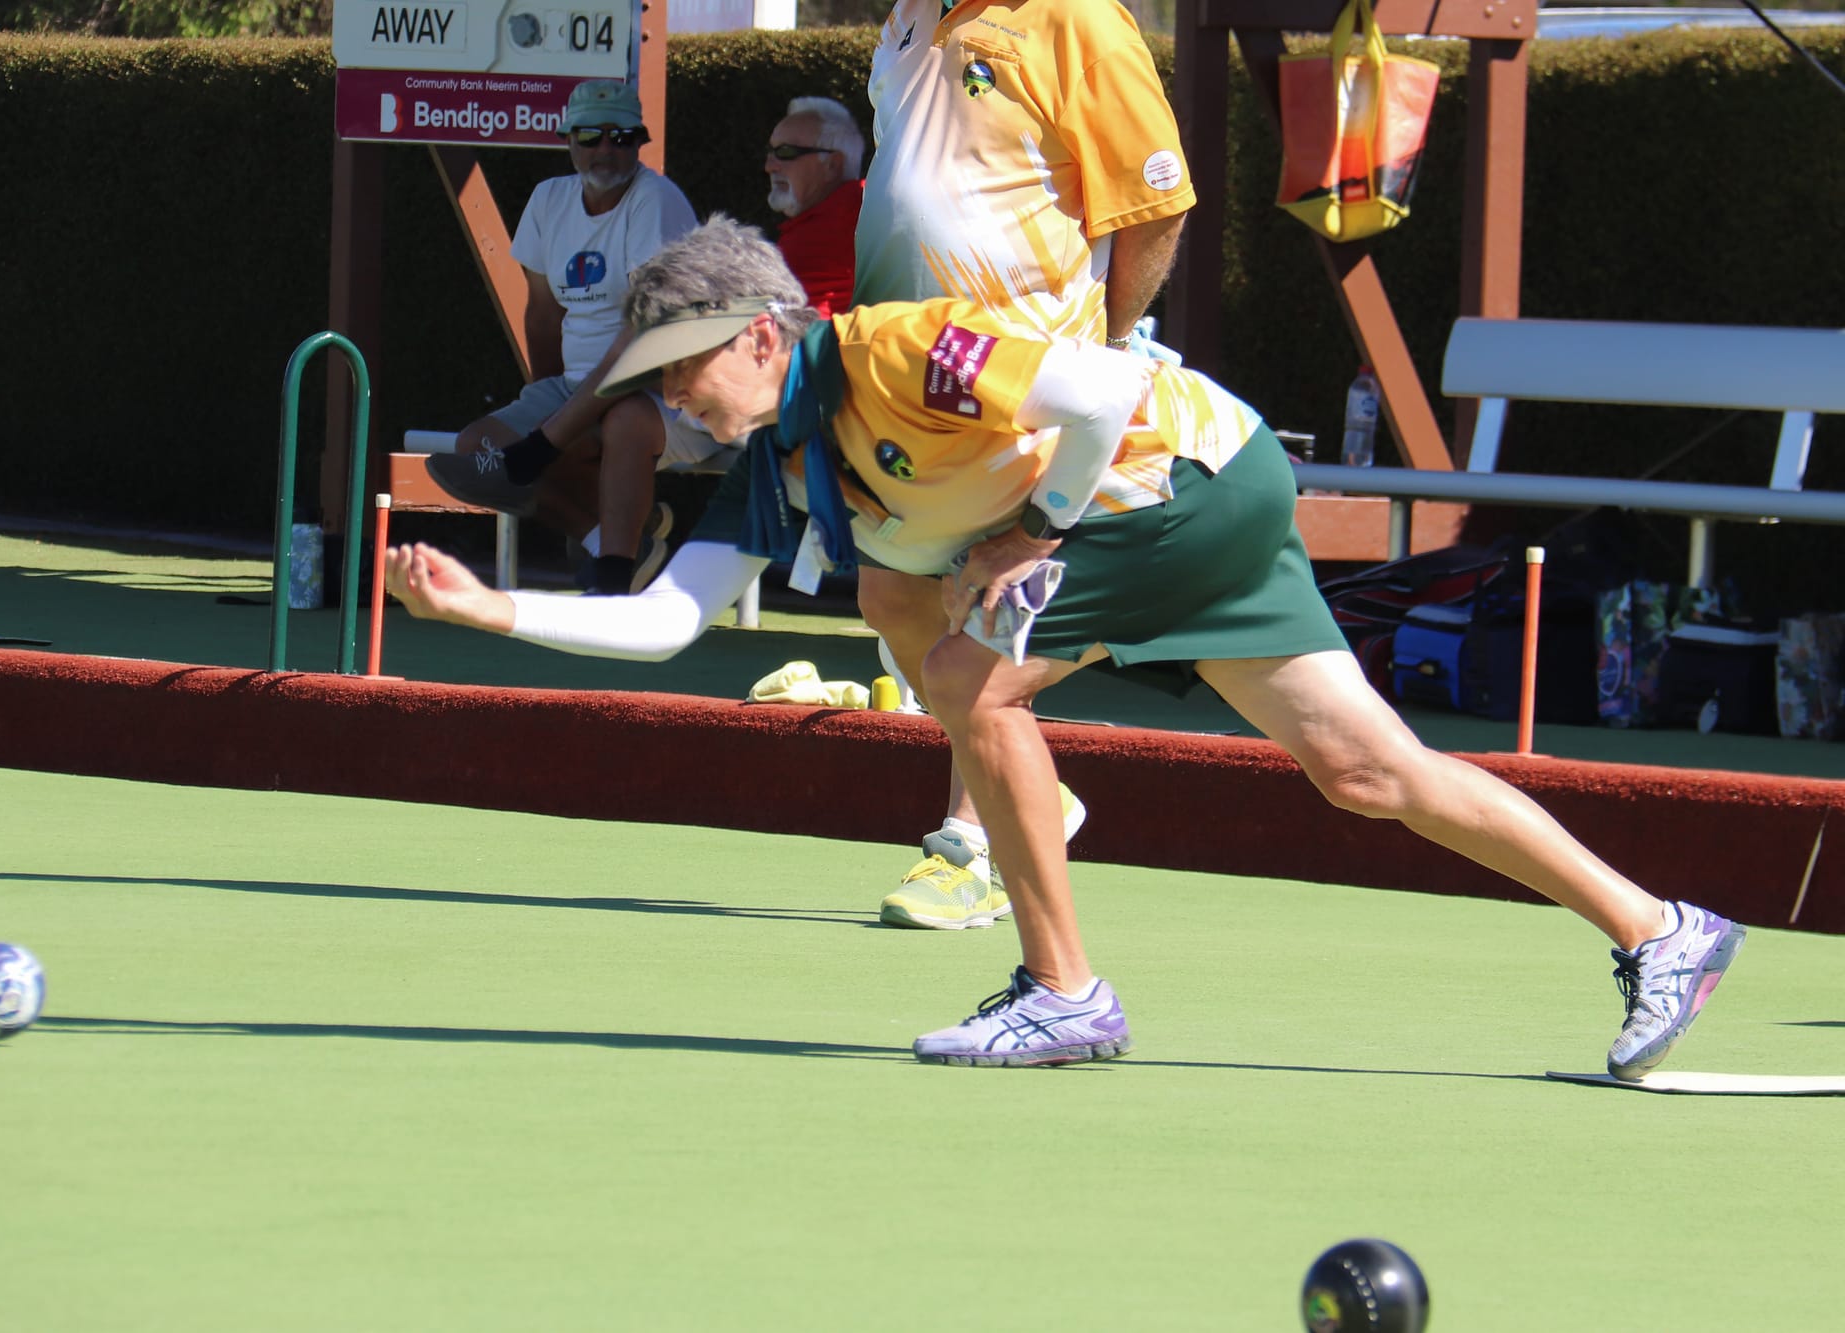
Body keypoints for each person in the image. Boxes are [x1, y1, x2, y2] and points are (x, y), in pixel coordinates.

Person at [383, 217, 1747, 1080]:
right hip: (1204, 491)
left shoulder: (897, 352)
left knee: (970, 681)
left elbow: (1097, 389)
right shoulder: (780, 456)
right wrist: (487, 614)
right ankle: (1662, 928)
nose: (672, 400)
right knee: (1367, 773)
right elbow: (671, 620)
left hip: (1183, 481)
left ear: (758, 337)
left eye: (682, 371)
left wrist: (1033, 524)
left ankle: (1063, 990)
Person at [853, 0, 1197, 930]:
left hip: (1024, 377)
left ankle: (973, 844)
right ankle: (1029, 799)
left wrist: (1107, 345)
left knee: (982, 620)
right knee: (891, 600)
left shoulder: (1079, 16)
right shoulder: (907, 19)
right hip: (910, 371)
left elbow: (1154, 202)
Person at [426, 79, 719, 595]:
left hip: (666, 388)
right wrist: (547, 404)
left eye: (622, 137)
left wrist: (551, 437)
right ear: (568, 140)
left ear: (639, 142)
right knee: (481, 447)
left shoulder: (656, 200)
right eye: (591, 136)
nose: (606, 149)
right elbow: (541, 314)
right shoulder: (547, 200)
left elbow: (643, 340)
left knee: (623, 419)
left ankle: (612, 580)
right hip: (582, 386)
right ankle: (608, 536)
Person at [765, 96, 864, 317]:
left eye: (786, 153)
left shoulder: (857, 218)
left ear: (832, 165)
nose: (769, 166)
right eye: (771, 152)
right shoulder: (827, 219)